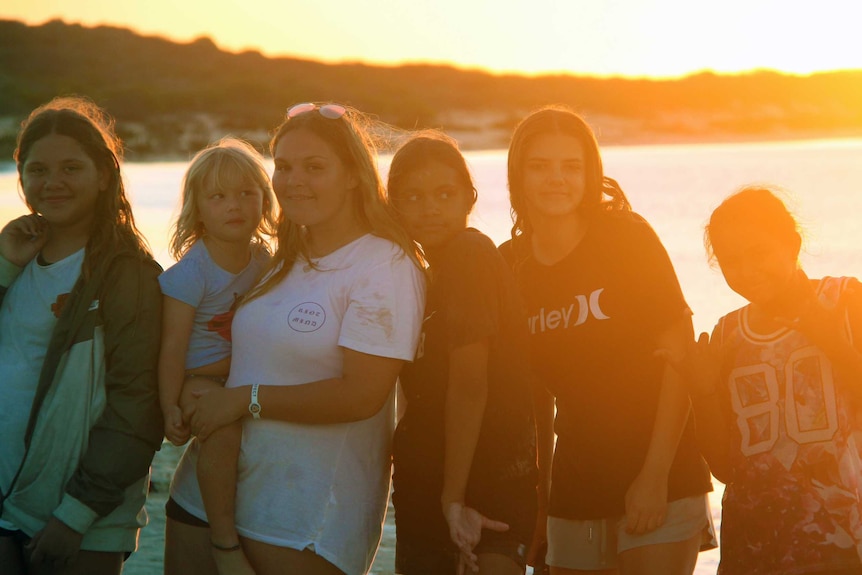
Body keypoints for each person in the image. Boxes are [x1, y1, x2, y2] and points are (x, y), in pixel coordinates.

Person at [163, 102, 426, 575]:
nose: (293, 180)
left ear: (352, 174)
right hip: (202, 499)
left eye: (315, 166)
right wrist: (193, 383)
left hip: (299, 522)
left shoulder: (383, 266)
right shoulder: (282, 255)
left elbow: (361, 396)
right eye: (283, 166)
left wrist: (245, 401)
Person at [499, 105, 714, 575]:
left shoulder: (625, 238)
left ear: (590, 173)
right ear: (518, 174)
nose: (556, 179)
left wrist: (654, 478)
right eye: (540, 166)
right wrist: (540, 502)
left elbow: (678, 359)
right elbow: (533, 398)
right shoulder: (510, 265)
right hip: (576, 484)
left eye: (570, 166)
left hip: (661, 472)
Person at [0, 96, 163, 574]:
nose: (52, 183)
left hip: (83, 513)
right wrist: (5, 266)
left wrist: (75, 514)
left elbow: (138, 403)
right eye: (38, 170)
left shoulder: (129, 275)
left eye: (72, 168)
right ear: (22, 178)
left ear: (103, 175)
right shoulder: (16, 257)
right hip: (7, 496)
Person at [678, 186, 862, 574]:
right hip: (757, 548)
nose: (746, 271)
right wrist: (703, 391)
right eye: (731, 262)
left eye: (758, 254)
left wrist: (828, 336)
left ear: (791, 244)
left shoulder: (845, 300)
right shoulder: (728, 334)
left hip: (843, 543)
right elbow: (727, 468)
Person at [387, 131, 538, 575]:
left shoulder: (469, 255)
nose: (430, 207)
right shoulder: (425, 275)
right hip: (430, 484)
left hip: (482, 485)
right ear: (393, 205)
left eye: (444, 194)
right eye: (413, 197)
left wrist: (454, 498)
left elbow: (470, 385)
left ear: (468, 198)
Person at [157, 137, 277, 575]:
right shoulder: (192, 273)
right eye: (219, 196)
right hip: (198, 380)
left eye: (248, 193)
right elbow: (171, 350)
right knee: (224, 434)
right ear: (198, 208)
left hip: (240, 376)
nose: (236, 205)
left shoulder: (264, 260)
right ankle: (224, 539)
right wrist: (170, 405)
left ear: (265, 200)